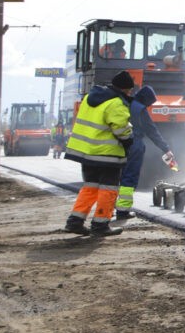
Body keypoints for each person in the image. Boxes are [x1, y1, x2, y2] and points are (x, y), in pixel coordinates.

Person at [62, 71, 135, 237]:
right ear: (124, 89)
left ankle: (75, 221)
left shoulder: (89, 97)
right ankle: (101, 225)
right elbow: (121, 129)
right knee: (108, 190)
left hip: (87, 153)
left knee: (90, 187)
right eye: (129, 90)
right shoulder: (116, 103)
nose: (130, 93)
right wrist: (129, 138)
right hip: (107, 154)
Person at [115, 85, 176, 220]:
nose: (149, 106)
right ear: (146, 99)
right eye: (149, 103)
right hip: (134, 145)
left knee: (115, 177)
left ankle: (106, 210)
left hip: (118, 144)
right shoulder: (140, 109)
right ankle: (122, 211)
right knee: (129, 178)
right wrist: (166, 148)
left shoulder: (125, 103)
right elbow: (152, 131)